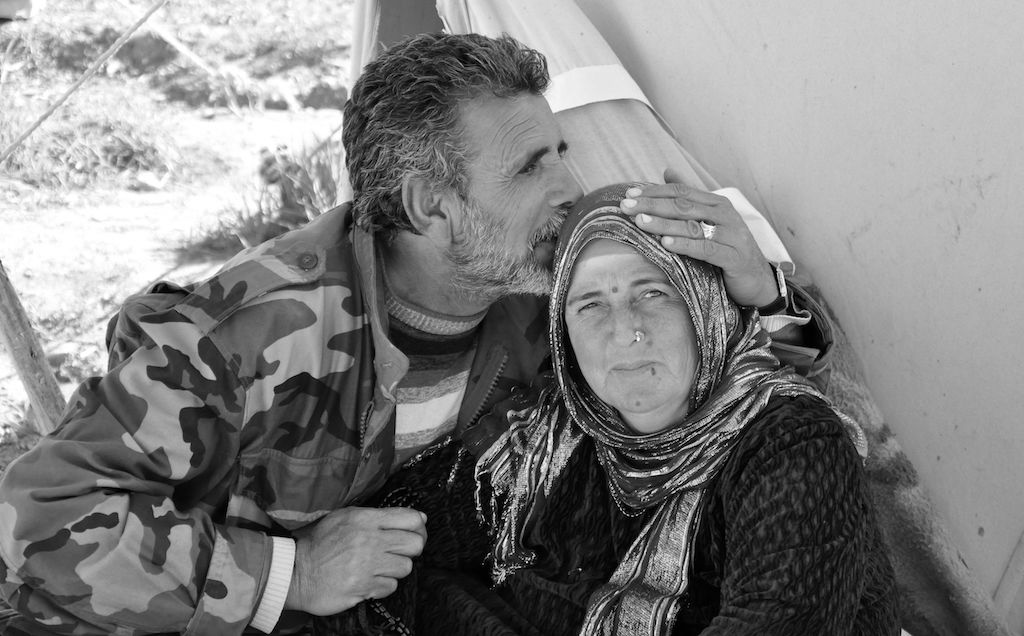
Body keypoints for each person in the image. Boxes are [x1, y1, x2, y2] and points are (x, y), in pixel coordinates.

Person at [0, 33, 819, 635]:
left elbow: (718, 398)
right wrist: (289, 573)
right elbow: (37, 522)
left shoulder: (543, 290)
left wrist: (766, 292)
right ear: (431, 204)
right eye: (532, 166)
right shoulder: (238, 337)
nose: (571, 186)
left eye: (560, 152)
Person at [353, 183, 897, 635]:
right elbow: (389, 545)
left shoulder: (790, 445)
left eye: (654, 293)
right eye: (590, 304)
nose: (625, 332)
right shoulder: (546, 438)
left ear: (705, 302)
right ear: (563, 334)